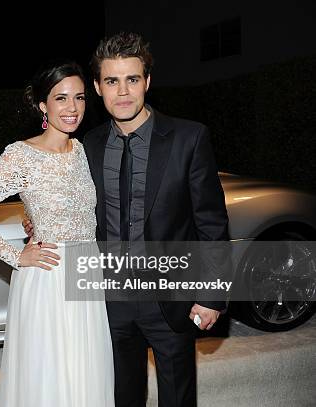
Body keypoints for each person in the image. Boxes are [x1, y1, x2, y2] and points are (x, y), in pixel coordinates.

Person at [24, 33, 229, 407]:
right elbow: (67, 200)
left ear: (147, 82)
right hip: (108, 302)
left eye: (132, 79)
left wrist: (211, 295)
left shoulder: (189, 138)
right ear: (98, 89)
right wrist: (36, 221)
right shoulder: (88, 145)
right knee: (120, 397)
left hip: (172, 299)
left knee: (178, 398)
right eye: (112, 81)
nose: (123, 91)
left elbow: (212, 225)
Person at [0, 60, 115, 406]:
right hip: (49, 275)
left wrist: (31, 213)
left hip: (88, 271)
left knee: (87, 369)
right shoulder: (20, 155)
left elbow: (71, 203)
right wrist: (16, 255)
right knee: (50, 374)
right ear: (43, 105)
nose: (72, 108)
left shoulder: (84, 150)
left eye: (79, 98)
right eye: (61, 98)